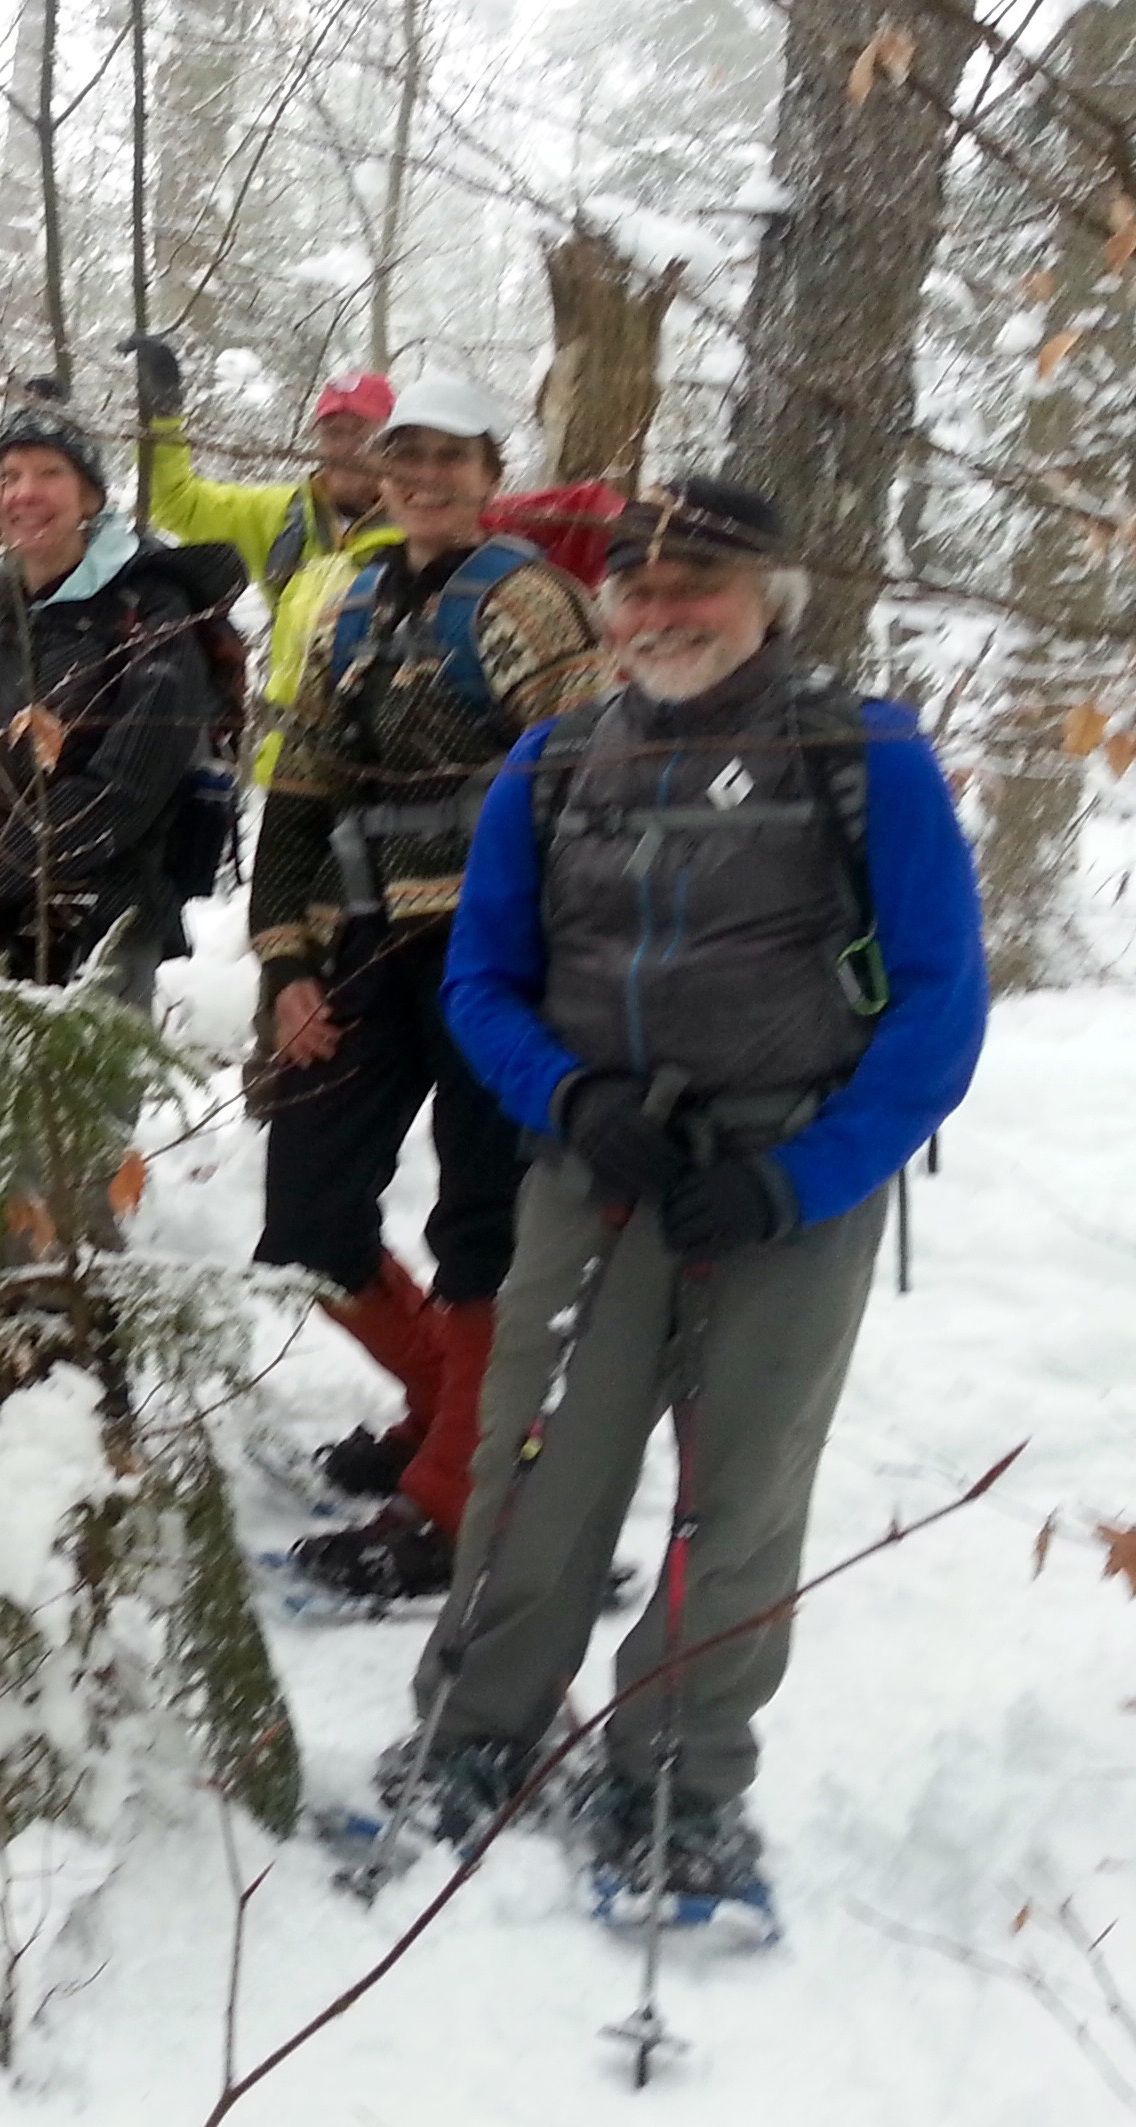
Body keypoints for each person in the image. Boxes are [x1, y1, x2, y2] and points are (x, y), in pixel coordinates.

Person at [411, 476, 985, 1902]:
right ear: (605, 606)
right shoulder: (547, 763)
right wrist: (568, 1096)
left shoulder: (862, 754)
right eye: (639, 588)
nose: (663, 611)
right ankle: (476, 1728)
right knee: (533, 1460)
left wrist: (800, 1177)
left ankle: (677, 1772)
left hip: (786, 1172)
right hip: (590, 1166)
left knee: (736, 1493)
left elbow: (936, 1004)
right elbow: (477, 976)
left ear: (765, 598)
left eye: (696, 586)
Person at [246, 377, 611, 1604]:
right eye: (407, 457)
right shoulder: (345, 599)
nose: (424, 478)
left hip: (500, 952)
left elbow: (583, 793)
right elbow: (297, 789)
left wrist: (561, 971)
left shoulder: (528, 603)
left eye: (449, 458)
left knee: (483, 1225)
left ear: (488, 471)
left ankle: (459, 1498)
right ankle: (454, 1414)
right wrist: (287, 964)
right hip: (364, 944)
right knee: (305, 1213)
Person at [0, 376, 246, 998]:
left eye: (49, 473)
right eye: (8, 477)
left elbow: (125, 789)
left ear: (90, 497)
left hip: (100, 928)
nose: (25, 493)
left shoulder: (152, 612)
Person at [127, 343, 399, 716]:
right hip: (289, 746)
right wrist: (163, 417)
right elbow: (177, 502)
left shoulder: (421, 527)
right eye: (333, 433)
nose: (345, 449)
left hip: (387, 739)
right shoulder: (286, 516)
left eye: (361, 433)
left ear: (393, 444)